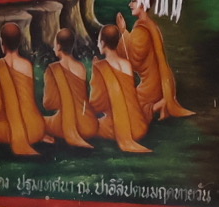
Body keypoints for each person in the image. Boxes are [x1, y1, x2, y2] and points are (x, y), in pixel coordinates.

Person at [0, 23, 46, 156]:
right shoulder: (27, 65)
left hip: (11, 131)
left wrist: (3, 119)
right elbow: (29, 100)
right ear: (19, 42)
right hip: (37, 128)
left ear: (2, 42)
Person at [89, 24, 153, 153]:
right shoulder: (126, 64)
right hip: (139, 126)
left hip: (115, 127)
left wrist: (96, 71)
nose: (97, 45)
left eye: (98, 42)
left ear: (102, 43)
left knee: (85, 124)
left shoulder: (100, 67)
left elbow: (97, 103)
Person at [123, 0, 192, 120]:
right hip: (156, 84)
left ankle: (157, 106)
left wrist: (123, 32)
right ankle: (161, 103)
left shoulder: (141, 30)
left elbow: (135, 62)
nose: (130, 4)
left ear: (143, 4)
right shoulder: (148, 25)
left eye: (133, 1)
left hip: (150, 87)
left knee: (124, 106)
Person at [42, 48, 97, 149]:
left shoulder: (53, 69)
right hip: (89, 125)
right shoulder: (81, 67)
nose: (53, 48)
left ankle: (40, 134)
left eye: (55, 45)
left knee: (36, 121)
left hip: (64, 123)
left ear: (59, 46)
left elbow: (49, 104)